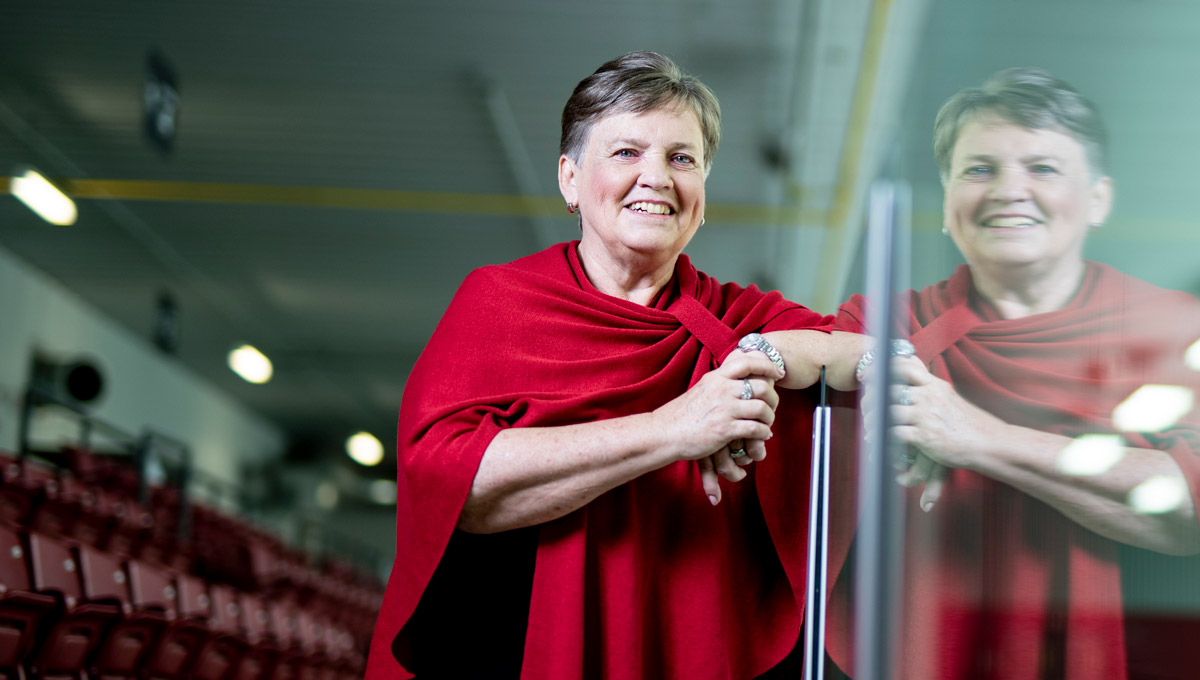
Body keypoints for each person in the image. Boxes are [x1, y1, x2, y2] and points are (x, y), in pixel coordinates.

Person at [365, 51, 864, 679]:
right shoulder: (501, 302)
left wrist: (768, 351)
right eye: (627, 152)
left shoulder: (738, 318)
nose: (656, 177)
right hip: (513, 646)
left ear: (702, 195)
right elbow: (453, 485)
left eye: (682, 158)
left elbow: (877, 355)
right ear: (570, 179)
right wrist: (675, 429)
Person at [831, 68, 1200, 679]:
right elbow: (798, 355)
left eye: (1044, 168)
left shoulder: (1174, 329)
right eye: (979, 169)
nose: (1009, 190)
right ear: (947, 202)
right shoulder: (892, 322)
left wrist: (974, 437)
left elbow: (1187, 504)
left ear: (1099, 198)